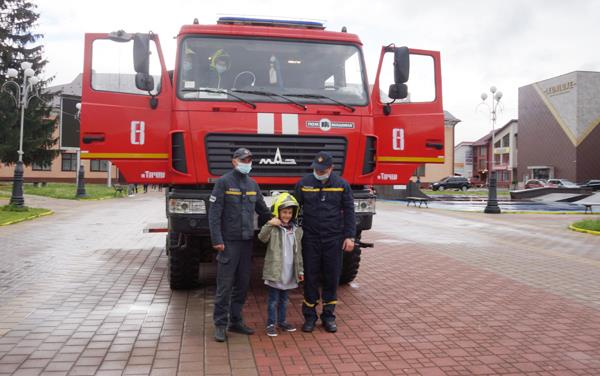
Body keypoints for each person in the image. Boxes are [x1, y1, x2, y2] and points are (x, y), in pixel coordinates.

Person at [208, 147, 271, 342]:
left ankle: (235, 321)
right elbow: (214, 213)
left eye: (249, 160)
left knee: (243, 285)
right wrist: (217, 239)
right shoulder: (223, 183)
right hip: (228, 242)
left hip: (246, 243)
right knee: (225, 285)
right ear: (234, 161)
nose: (247, 163)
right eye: (244, 160)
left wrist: (280, 221)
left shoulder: (253, 184)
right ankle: (220, 324)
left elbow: (263, 210)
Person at [294, 151, 356, 333]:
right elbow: (294, 207)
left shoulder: (342, 185)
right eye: (316, 169)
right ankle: (310, 317)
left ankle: (328, 316)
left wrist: (349, 236)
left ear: (331, 168)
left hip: (333, 239)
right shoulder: (304, 183)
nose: (319, 172)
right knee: (311, 277)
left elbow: (349, 212)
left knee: (331, 277)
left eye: (322, 170)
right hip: (311, 238)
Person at [258, 193, 304, 337]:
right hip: (275, 271)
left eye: (290, 212)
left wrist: (300, 271)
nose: (287, 215)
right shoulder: (273, 228)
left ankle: (282, 322)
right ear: (278, 212)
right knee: (273, 300)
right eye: (284, 212)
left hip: (289, 271)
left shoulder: (296, 231)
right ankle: (271, 324)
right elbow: (262, 237)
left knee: (284, 300)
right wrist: (269, 223)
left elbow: (299, 253)